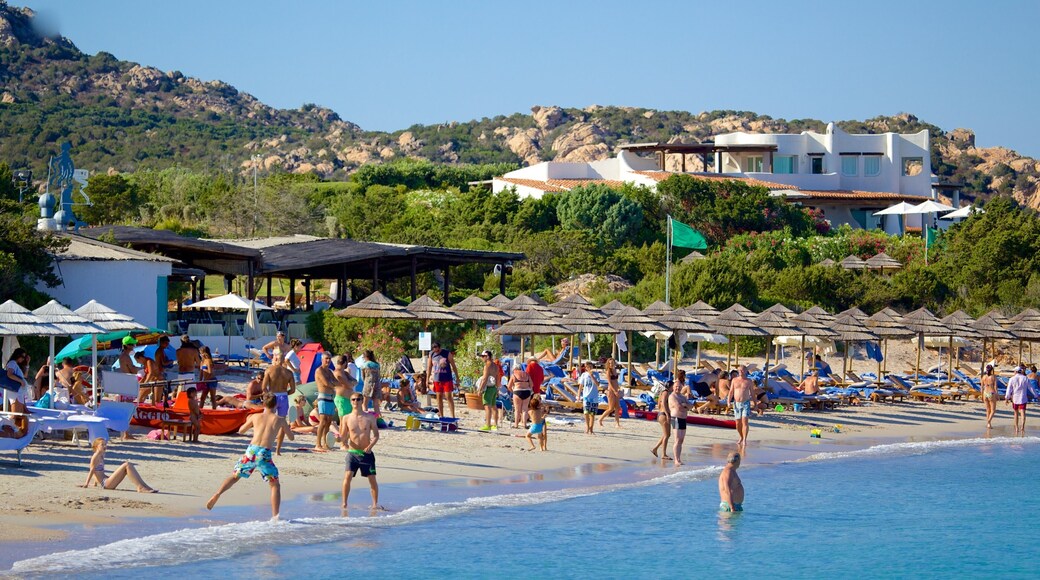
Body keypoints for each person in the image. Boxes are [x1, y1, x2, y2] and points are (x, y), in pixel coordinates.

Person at [207, 394, 293, 519]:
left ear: (263, 404)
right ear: (276, 405)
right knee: (274, 484)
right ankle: (275, 516)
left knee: (235, 476)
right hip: (264, 453)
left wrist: (249, 421)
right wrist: (286, 427)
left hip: (251, 450)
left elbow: (241, 430)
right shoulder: (279, 419)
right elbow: (291, 437)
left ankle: (217, 494)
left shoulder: (255, 416)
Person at [340, 392, 381, 512]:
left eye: (358, 399)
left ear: (362, 401)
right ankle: (344, 503)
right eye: (353, 399)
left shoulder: (370, 417)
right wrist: (341, 441)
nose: (355, 402)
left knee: (372, 479)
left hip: (366, 454)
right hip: (352, 453)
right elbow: (343, 435)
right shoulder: (346, 418)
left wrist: (370, 446)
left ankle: (374, 504)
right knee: (347, 476)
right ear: (350, 401)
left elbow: (376, 435)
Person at [80, 437, 157, 493]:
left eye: (105, 444)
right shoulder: (95, 457)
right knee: (127, 464)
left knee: (128, 466)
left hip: (107, 481)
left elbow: (98, 472)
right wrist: (86, 484)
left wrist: (95, 484)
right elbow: (92, 470)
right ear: (96, 447)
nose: (105, 446)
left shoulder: (101, 455)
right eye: (102, 445)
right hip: (106, 483)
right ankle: (140, 487)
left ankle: (145, 486)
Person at [261, 351, 296, 455]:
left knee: (267, 421)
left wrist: (268, 396)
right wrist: (285, 394)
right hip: (283, 396)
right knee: (282, 423)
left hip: (273, 395)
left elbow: (263, 388)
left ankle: (264, 446)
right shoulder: (288, 373)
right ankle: (278, 450)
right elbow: (293, 390)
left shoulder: (269, 370)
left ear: (275, 359)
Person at [426, 342, 459, 418]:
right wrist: (427, 379)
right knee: (439, 397)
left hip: (447, 378)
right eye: (434, 350)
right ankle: (441, 415)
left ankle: (453, 416)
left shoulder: (447, 353)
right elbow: (429, 367)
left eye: (437, 350)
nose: (436, 351)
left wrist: (457, 378)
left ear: (440, 348)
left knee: (448, 397)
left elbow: (453, 366)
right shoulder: (431, 354)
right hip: (437, 379)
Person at [5, 349, 31, 434]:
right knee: (16, 413)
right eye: (22, 356)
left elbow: (25, 376)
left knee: (18, 413)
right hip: (15, 392)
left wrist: (27, 364)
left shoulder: (15, 364)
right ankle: (6, 426)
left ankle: (13, 428)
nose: (23, 359)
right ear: (17, 355)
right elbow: (9, 374)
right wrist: (21, 381)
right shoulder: (12, 363)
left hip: (18, 392)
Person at [314, 359, 337, 452]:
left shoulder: (329, 371)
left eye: (329, 359)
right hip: (323, 396)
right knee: (322, 421)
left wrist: (334, 384)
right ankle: (317, 444)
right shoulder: (319, 370)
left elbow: (336, 381)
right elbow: (326, 383)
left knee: (328, 421)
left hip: (331, 397)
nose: (327, 360)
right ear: (322, 360)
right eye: (326, 359)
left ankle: (325, 443)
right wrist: (334, 385)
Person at [474, 350, 500, 432]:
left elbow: (484, 378)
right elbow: (497, 377)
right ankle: (495, 425)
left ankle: (488, 424)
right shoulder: (496, 366)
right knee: (494, 406)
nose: (482, 358)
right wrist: (497, 388)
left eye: (483, 356)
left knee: (487, 406)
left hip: (488, 388)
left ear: (487, 357)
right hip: (494, 387)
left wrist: (480, 389)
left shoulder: (487, 366)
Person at [668, 378, 691, 467]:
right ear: (673, 387)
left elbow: (690, 406)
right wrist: (685, 405)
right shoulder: (672, 396)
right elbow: (678, 407)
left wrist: (685, 405)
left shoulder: (682, 397)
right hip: (676, 418)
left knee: (681, 440)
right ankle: (676, 459)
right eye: (676, 387)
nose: (677, 388)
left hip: (683, 419)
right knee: (677, 439)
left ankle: (679, 458)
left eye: (679, 387)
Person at [507, 358, 534, 429]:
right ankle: (524, 424)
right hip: (527, 391)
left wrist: (513, 391)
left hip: (517, 391)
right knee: (525, 409)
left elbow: (509, 386)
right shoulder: (527, 374)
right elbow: (531, 385)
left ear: (514, 369)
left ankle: (516, 425)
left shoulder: (514, 375)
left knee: (517, 409)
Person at [731, 366, 754, 446]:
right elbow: (731, 392)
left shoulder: (749, 381)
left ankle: (744, 439)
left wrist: (755, 404)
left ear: (746, 371)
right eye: (739, 370)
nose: (741, 371)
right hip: (736, 403)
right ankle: (741, 436)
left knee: (745, 421)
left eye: (743, 370)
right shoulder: (734, 380)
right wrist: (728, 401)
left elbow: (753, 393)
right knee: (737, 423)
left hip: (746, 403)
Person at [599, 358, 623, 429]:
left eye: (612, 363)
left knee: (617, 407)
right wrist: (614, 391)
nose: (611, 364)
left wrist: (618, 388)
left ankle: (617, 423)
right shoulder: (608, 371)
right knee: (611, 408)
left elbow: (616, 381)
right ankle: (600, 419)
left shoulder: (615, 370)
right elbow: (609, 383)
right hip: (611, 391)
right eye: (609, 363)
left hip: (616, 389)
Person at [1005, 366, 1030, 433]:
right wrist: (1037, 395)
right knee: (1023, 413)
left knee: (1016, 413)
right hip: (1023, 398)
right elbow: (1031, 388)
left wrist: (1007, 398)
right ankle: (1022, 427)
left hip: (1015, 398)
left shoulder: (1012, 379)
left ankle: (1016, 427)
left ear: (1015, 371)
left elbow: (1009, 389)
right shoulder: (1025, 378)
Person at [333, 354, 359, 420]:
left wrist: (351, 383)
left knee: (349, 420)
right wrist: (351, 383)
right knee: (343, 421)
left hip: (348, 399)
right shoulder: (337, 373)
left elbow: (355, 381)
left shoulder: (345, 373)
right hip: (342, 399)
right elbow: (348, 384)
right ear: (345, 363)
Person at [651, 382, 672, 459]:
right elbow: (663, 403)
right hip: (663, 414)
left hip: (661, 414)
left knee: (666, 434)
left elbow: (659, 404)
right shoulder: (666, 392)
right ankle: (663, 454)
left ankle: (655, 449)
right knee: (666, 435)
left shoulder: (661, 393)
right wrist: (667, 414)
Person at [578, 365, 598, 435]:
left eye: (590, 367)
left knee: (592, 414)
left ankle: (591, 429)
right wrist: (578, 396)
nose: (589, 368)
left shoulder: (596, 374)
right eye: (587, 367)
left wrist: (592, 376)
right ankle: (587, 427)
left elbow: (597, 384)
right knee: (586, 413)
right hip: (586, 396)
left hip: (594, 396)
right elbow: (580, 386)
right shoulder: (584, 375)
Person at [198, 346, 218, 410]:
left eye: (201, 353)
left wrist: (205, 380)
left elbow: (210, 372)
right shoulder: (202, 362)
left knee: (212, 398)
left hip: (211, 380)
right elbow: (201, 372)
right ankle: (199, 410)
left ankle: (214, 410)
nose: (200, 354)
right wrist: (200, 381)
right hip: (205, 381)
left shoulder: (209, 361)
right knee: (202, 397)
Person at [981, 365, 998, 429]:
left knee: (988, 410)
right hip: (991, 392)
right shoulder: (993, 377)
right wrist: (997, 395)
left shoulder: (983, 377)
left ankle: (989, 424)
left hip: (985, 393)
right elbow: (995, 387)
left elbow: (981, 387)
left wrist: (981, 395)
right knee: (993, 410)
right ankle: (988, 421)